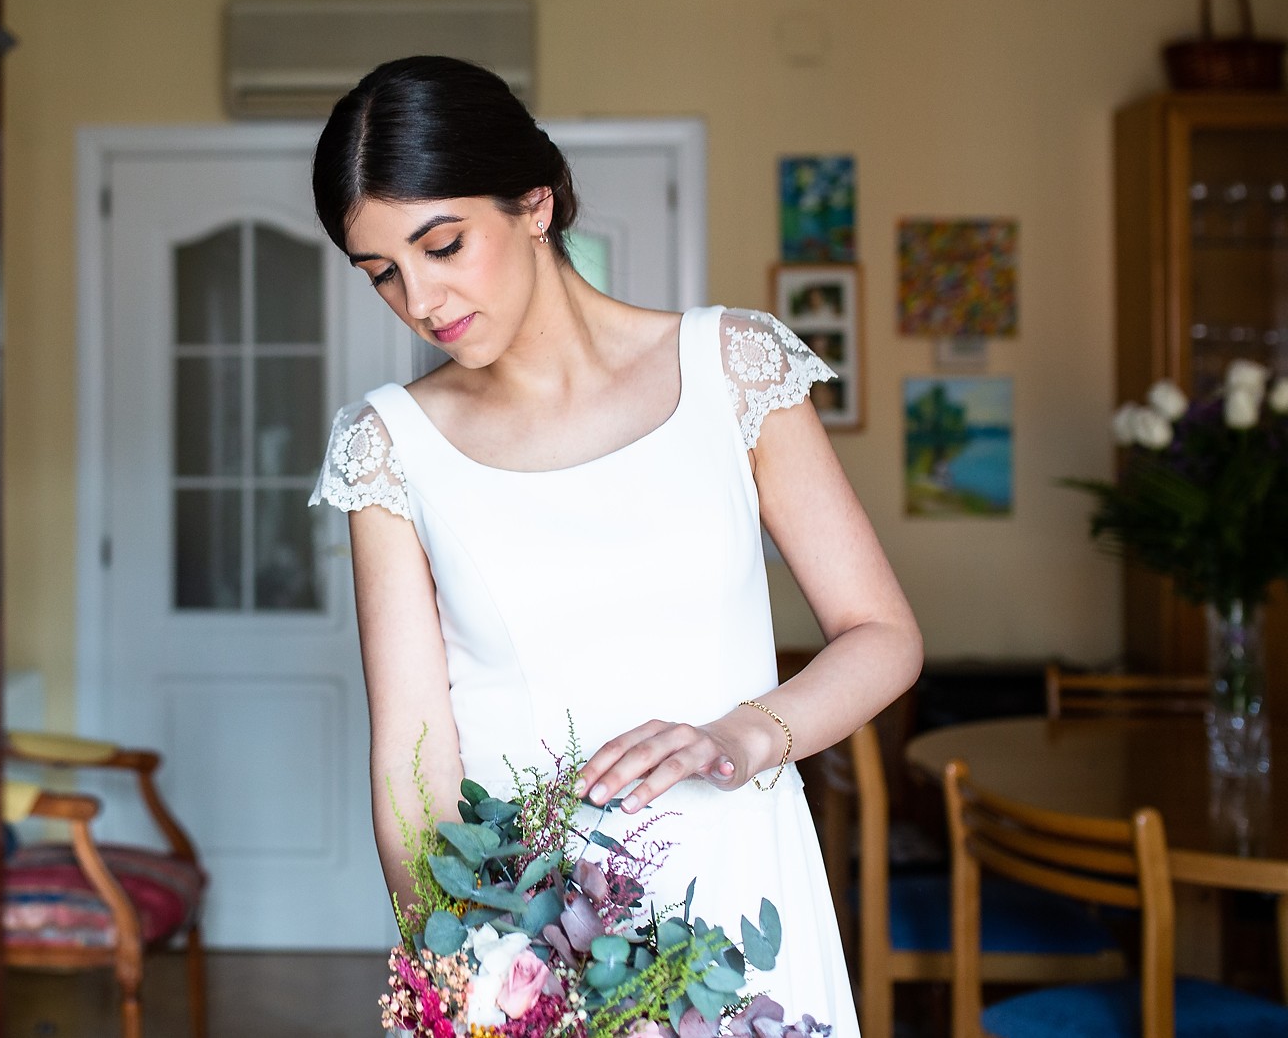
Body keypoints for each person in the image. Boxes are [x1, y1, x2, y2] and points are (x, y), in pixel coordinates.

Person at [307, 56, 920, 1035]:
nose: (418, 299)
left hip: (740, 885)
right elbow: (411, 771)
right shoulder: (387, 445)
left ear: (535, 204)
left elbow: (880, 632)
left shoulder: (729, 368)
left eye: (442, 244)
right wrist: (463, 986)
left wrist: (743, 733)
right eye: (382, 271)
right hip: (529, 939)